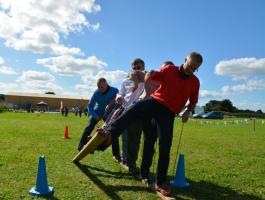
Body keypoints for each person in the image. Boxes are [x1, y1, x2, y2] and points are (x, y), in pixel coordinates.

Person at [98, 52, 203, 197]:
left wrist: (187, 112)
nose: (190, 71)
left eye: (194, 69)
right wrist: (151, 74)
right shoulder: (170, 69)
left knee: (164, 146)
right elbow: (154, 76)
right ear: (185, 60)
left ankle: (161, 182)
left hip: (168, 113)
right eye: (189, 66)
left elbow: (193, 101)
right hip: (155, 102)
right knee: (134, 109)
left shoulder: (195, 82)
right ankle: (110, 134)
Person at [116, 59, 145, 173]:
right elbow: (120, 93)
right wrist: (118, 97)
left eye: (140, 67)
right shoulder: (125, 81)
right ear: (132, 68)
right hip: (125, 110)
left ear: (143, 68)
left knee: (135, 139)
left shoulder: (145, 81)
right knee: (125, 137)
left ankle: (132, 162)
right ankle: (124, 160)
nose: (137, 69)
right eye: (135, 68)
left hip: (138, 112)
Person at [77, 78, 118, 151]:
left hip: (109, 114)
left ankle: (116, 153)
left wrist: (115, 99)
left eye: (102, 87)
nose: (100, 89)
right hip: (98, 112)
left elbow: (120, 98)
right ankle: (81, 145)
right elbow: (89, 106)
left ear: (106, 84)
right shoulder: (96, 93)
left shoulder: (115, 90)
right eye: (98, 87)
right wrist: (95, 116)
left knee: (113, 130)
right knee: (88, 127)